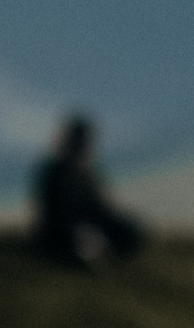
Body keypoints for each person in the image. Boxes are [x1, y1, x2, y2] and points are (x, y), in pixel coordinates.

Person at [33, 113, 145, 264]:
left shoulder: (89, 173)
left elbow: (101, 207)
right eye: (81, 141)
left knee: (131, 231)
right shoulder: (55, 173)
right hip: (63, 231)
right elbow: (56, 212)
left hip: (91, 226)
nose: (84, 146)